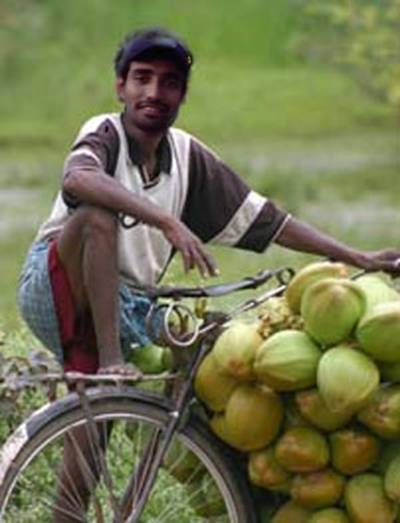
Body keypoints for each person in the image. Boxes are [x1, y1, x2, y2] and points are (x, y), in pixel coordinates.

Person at [17, 26, 400, 521]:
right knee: (95, 216)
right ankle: (111, 362)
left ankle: (96, 506)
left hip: (126, 303)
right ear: (120, 87)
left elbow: (269, 221)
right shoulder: (104, 133)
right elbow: (79, 178)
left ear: (182, 95)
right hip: (57, 284)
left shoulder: (186, 156)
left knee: (193, 357)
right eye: (142, 78)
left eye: (169, 82)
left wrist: (357, 257)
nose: (154, 92)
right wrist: (165, 219)